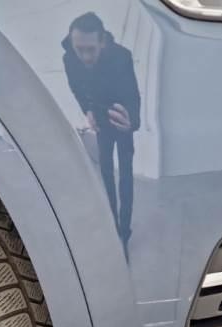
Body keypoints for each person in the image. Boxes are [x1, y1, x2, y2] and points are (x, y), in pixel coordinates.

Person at [62, 12, 141, 246]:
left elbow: (133, 95)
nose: (85, 56)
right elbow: (76, 88)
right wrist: (87, 110)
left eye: (91, 49)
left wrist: (132, 121)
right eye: (80, 49)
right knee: (105, 172)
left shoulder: (122, 57)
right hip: (100, 121)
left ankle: (124, 231)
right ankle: (112, 226)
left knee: (125, 177)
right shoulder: (69, 58)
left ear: (103, 41)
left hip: (122, 120)